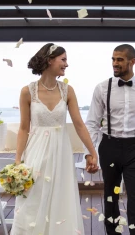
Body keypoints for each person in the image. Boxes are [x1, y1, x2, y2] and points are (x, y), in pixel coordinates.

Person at [11, 43, 98, 235]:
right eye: (63, 59)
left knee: (60, 197)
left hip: (60, 152)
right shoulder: (28, 91)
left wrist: (92, 152)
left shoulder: (68, 91)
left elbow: (79, 124)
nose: (66, 64)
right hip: (36, 151)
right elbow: (24, 128)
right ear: (50, 60)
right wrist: (18, 161)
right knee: (32, 197)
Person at [84, 44, 135, 235]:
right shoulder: (102, 88)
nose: (115, 63)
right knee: (110, 196)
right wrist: (90, 152)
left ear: (132, 61)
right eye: (113, 59)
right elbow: (92, 123)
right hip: (109, 146)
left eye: (119, 59)